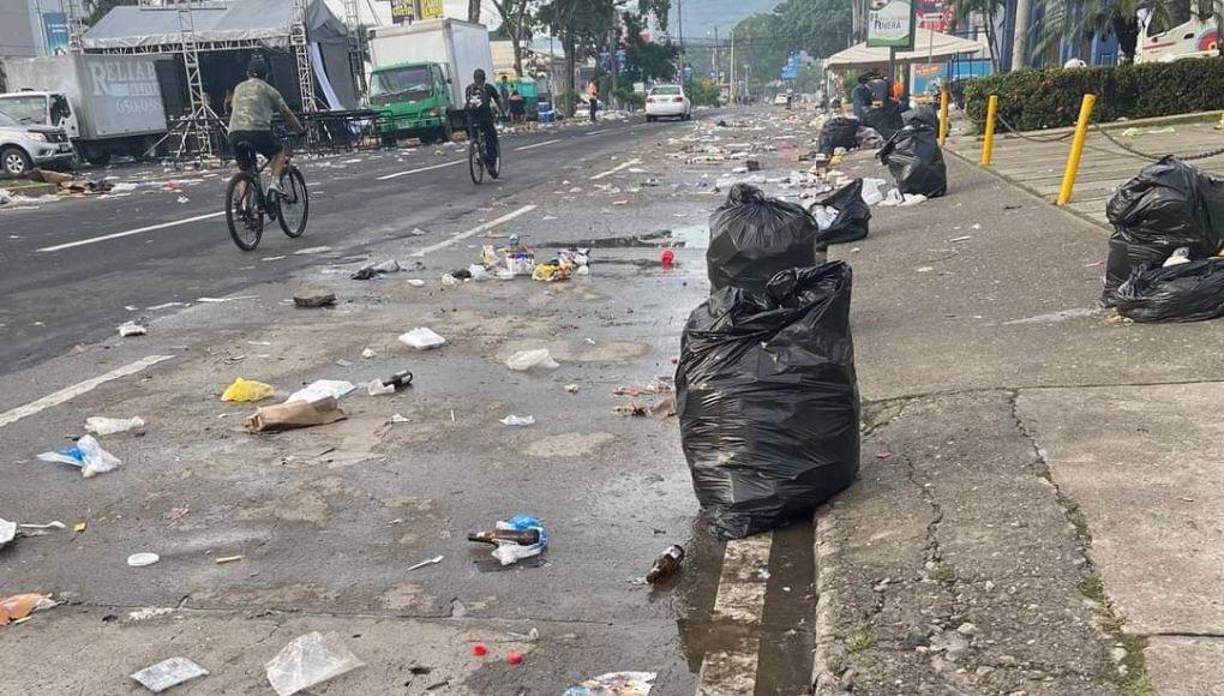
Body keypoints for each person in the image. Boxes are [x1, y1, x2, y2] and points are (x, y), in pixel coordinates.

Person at [227, 57, 303, 194]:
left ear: (247, 73)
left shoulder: (238, 88)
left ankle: (245, 208)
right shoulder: (270, 90)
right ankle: (275, 183)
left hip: (234, 132)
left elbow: (233, 106)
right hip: (258, 132)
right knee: (279, 152)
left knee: (245, 170)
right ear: (266, 76)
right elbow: (286, 113)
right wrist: (300, 129)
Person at [464, 68, 501, 168]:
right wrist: (503, 113)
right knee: (491, 139)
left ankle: (476, 152)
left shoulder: (469, 88)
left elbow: (468, 103)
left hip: (471, 119)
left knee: (474, 138)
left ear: (474, 78)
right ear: (484, 78)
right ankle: (491, 165)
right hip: (485, 119)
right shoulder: (489, 88)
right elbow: (498, 101)